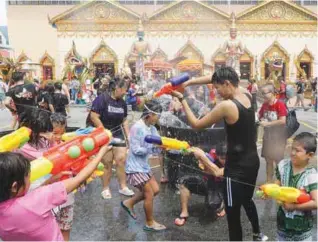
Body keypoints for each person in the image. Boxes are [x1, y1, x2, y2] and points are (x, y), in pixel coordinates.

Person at [171, 67, 267, 241]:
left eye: (217, 88)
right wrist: (191, 82)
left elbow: (196, 124)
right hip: (252, 162)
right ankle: (257, 234)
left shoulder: (227, 106)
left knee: (232, 213)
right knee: (247, 200)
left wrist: (182, 99)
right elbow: (214, 77)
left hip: (235, 168)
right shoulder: (246, 93)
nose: (216, 91)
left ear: (227, 84)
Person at [0, 144, 111, 241]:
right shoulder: (38, 199)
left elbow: (25, 202)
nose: (29, 181)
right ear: (14, 187)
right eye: (27, 177)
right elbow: (79, 179)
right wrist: (101, 153)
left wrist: (49, 181)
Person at [121, 100, 166, 231]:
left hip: (144, 167)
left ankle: (128, 203)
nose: (158, 118)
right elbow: (136, 150)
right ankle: (149, 223)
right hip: (135, 168)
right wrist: (152, 148)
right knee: (149, 194)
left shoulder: (152, 128)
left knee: (155, 190)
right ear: (150, 114)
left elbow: (158, 144)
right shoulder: (137, 127)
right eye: (157, 115)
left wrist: (163, 147)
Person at [89, 77, 134, 199]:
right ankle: (105, 188)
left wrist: (128, 136)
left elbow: (124, 121)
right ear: (117, 88)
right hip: (104, 134)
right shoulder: (102, 99)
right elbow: (94, 116)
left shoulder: (122, 103)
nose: (125, 92)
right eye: (124, 89)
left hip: (118, 133)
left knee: (121, 160)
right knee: (107, 163)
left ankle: (123, 187)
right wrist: (104, 131)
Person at [274, 132, 317, 241]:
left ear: (310, 155)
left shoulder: (311, 175)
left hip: (302, 231)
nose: (292, 153)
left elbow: (316, 202)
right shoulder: (283, 165)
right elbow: (277, 183)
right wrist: (269, 190)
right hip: (282, 226)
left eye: (297, 150)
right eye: (292, 148)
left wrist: (294, 207)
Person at [174, 143, 227, 227]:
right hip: (209, 181)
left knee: (212, 205)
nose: (225, 161)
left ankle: (223, 205)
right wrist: (200, 159)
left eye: (227, 158)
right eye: (222, 158)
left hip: (222, 185)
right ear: (217, 155)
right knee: (183, 182)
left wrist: (203, 158)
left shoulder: (234, 160)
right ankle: (184, 213)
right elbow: (205, 170)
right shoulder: (211, 154)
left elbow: (218, 173)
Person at [259, 84, 288, 183]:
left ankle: (280, 182)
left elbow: (282, 120)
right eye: (262, 93)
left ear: (272, 93)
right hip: (267, 136)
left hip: (278, 137)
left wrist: (267, 123)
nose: (263, 95)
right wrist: (261, 119)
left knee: (278, 161)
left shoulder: (279, 104)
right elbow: (260, 115)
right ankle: (268, 181)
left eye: (265, 93)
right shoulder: (264, 105)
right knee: (268, 160)